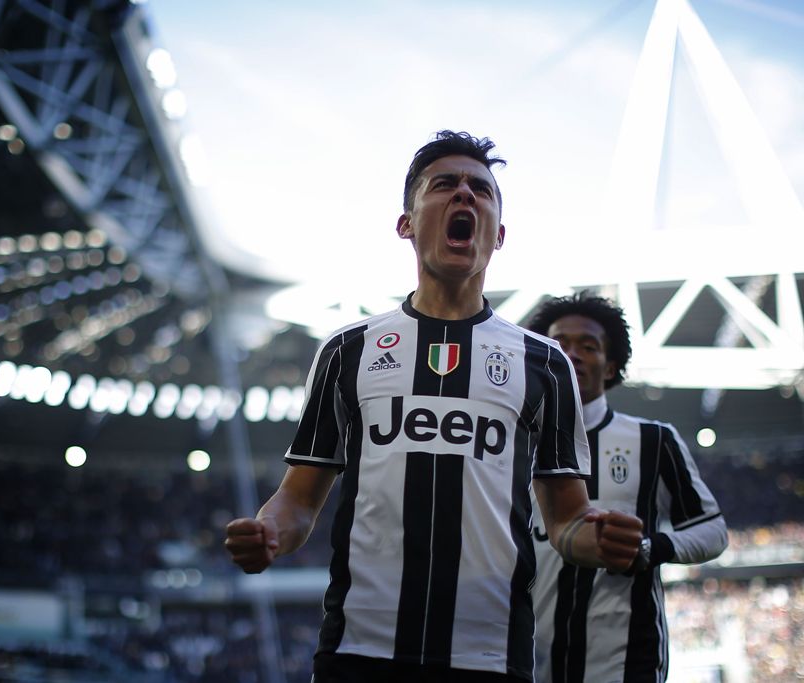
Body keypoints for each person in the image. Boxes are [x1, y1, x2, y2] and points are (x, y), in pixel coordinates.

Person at [224, 131, 644, 683]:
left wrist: (600, 539)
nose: (465, 194)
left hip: (491, 656)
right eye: (444, 185)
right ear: (406, 223)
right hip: (359, 650)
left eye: (481, 190)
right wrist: (270, 532)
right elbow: (300, 500)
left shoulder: (544, 363)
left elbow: (566, 521)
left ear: (499, 235)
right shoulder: (348, 351)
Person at [525, 292, 728, 683]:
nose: (572, 354)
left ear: (611, 366)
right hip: (524, 661)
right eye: (559, 344)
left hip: (626, 662)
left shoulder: (654, 440)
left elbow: (713, 530)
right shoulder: (510, 444)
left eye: (588, 346)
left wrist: (648, 548)